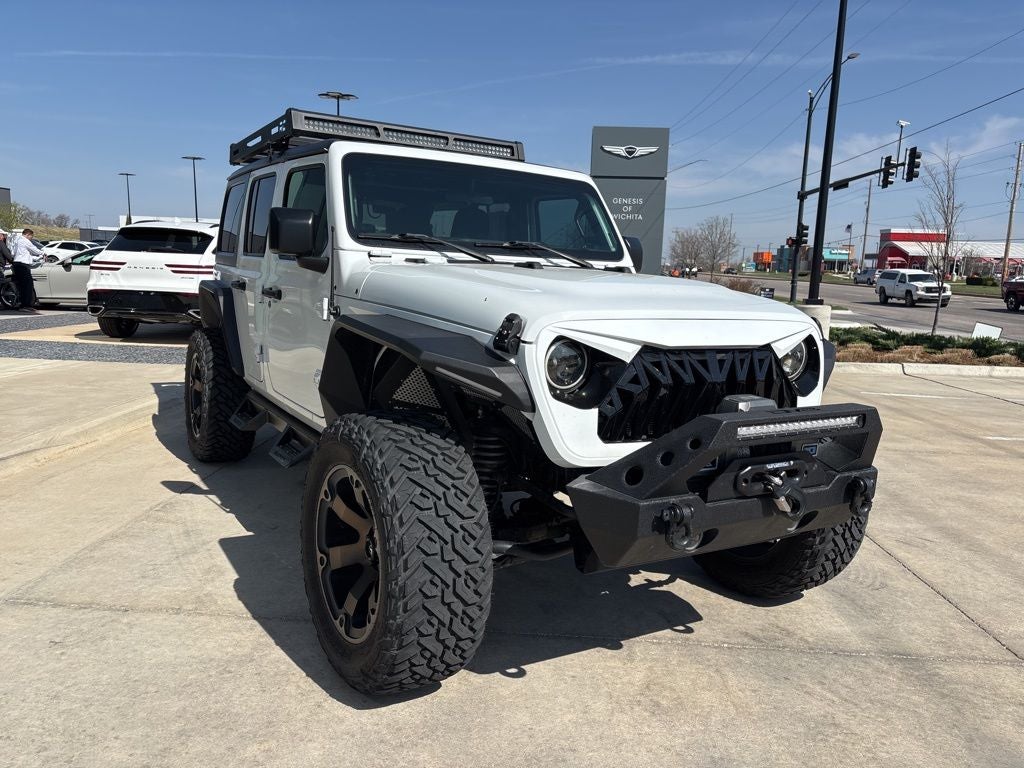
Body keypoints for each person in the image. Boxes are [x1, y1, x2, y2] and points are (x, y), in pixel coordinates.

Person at [8, 228, 43, 312]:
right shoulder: (25, 241)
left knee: (22, 285)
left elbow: (14, 253)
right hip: (22, 265)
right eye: (31, 236)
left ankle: (23, 304)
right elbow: (34, 250)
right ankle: (25, 305)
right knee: (27, 285)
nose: (31, 238)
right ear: (28, 234)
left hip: (17, 264)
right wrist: (43, 253)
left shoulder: (16, 241)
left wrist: (36, 258)